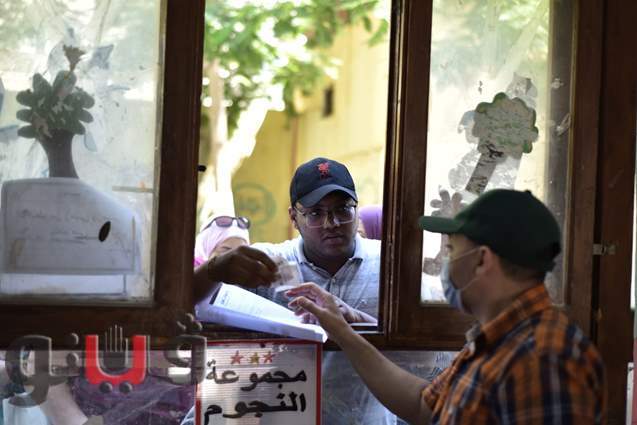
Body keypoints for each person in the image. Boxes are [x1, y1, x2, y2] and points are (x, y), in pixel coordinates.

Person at [288, 189, 606, 424]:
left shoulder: (544, 356)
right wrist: (344, 332)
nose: (445, 264)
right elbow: (424, 405)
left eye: (452, 251)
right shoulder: (494, 342)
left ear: (481, 260)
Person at [192, 157, 407, 424]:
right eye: (316, 213)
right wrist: (212, 269)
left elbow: (425, 356)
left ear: (357, 209)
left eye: (343, 210)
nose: (331, 223)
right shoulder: (266, 265)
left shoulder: (391, 266)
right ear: (293, 217)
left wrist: (359, 322)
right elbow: (184, 305)